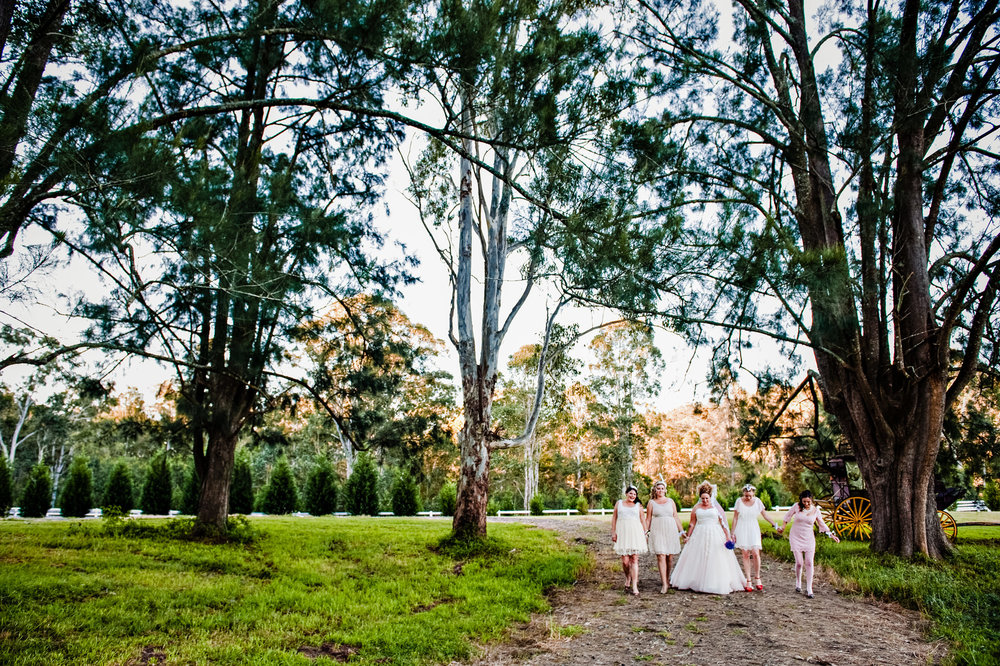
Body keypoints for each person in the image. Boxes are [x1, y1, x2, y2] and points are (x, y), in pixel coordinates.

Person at [669, 481, 746, 594]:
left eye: (707, 498)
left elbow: (723, 524)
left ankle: (715, 581)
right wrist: (688, 536)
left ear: (711, 497)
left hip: (715, 533)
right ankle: (695, 580)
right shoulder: (696, 508)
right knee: (698, 556)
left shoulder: (716, 508)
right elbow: (692, 524)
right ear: (700, 498)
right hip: (699, 533)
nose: (705, 501)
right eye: (703, 498)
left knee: (715, 556)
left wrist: (728, 537)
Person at [777, 489, 840, 598]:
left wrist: (831, 534)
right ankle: (798, 582)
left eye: (808, 502)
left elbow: (822, 523)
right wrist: (782, 527)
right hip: (796, 537)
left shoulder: (815, 510)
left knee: (809, 562)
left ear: (811, 501)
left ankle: (809, 588)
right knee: (799, 563)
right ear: (801, 501)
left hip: (809, 538)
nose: (806, 504)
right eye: (804, 502)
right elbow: (787, 517)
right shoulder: (796, 506)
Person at [730, 483, 778, 591]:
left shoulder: (757, 501)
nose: (748, 497)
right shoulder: (739, 501)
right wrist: (732, 533)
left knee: (756, 553)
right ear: (744, 493)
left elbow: (765, 515)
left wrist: (775, 525)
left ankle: (757, 577)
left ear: (753, 494)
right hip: (742, 528)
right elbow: (735, 518)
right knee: (745, 554)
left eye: (750, 496)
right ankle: (748, 580)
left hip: (753, 528)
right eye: (746, 495)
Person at [644, 480, 683, 593]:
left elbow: (675, 516)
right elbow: (648, 519)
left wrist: (681, 531)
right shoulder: (651, 503)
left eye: (662, 488)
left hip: (670, 529)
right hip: (658, 530)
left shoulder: (670, 501)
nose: (660, 490)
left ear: (665, 490)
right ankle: (664, 584)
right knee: (661, 555)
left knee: (669, 557)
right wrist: (646, 532)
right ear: (655, 490)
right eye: (658, 488)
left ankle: (667, 577)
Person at [611, 485, 647, 595]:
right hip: (623, 533)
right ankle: (628, 578)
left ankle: (635, 586)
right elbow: (614, 518)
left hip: (635, 533)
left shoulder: (638, 505)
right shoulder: (619, 503)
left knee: (634, 559)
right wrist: (613, 532)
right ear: (626, 493)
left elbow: (643, 520)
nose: (632, 496)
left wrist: (646, 533)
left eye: (635, 494)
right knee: (625, 561)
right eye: (631, 493)